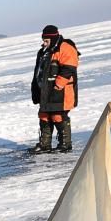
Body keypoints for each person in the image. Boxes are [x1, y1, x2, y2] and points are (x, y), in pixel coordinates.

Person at [30, 25, 80, 153]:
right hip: (45, 91)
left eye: (46, 40)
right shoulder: (43, 52)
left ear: (53, 38)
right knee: (44, 115)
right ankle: (45, 144)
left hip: (61, 91)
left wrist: (59, 84)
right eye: (43, 40)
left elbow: (69, 68)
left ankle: (65, 143)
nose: (44, 43)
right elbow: (38, 72)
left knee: (58, 116)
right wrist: (36, 89)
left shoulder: (65, 48)